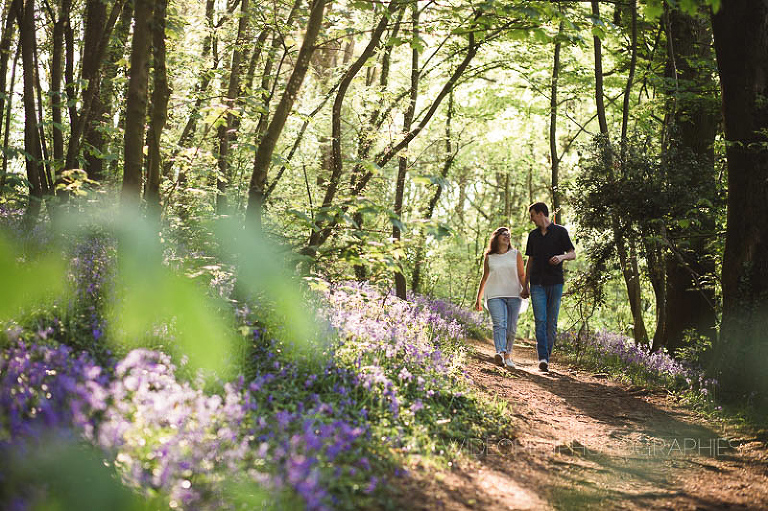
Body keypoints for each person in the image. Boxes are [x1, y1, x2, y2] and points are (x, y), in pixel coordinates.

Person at [522, 202, 575, 372]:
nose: (531, 219)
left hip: (556, 283)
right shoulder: (533, 235)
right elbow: (529, 261)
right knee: (540, 321)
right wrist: (525, 285)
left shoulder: (561, 232)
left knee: (551, 323)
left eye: (532, 215)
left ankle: (546, 356)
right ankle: (543, 358)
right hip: (537, 283)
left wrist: (561, 257)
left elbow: (573, 254)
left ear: (540, 214)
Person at [474, 227, 528, 369]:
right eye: (503, 234)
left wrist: (526, 289)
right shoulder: (489, 257)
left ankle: (508, 356)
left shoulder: (516, 254)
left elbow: (522, 275)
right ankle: (500, 352)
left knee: (510, 327)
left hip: (514, 295)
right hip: (494, 295)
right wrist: (478, 298)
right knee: (499, 324)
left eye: (508, 235)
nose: (507, 237)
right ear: (496, 237)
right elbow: (485, 277)